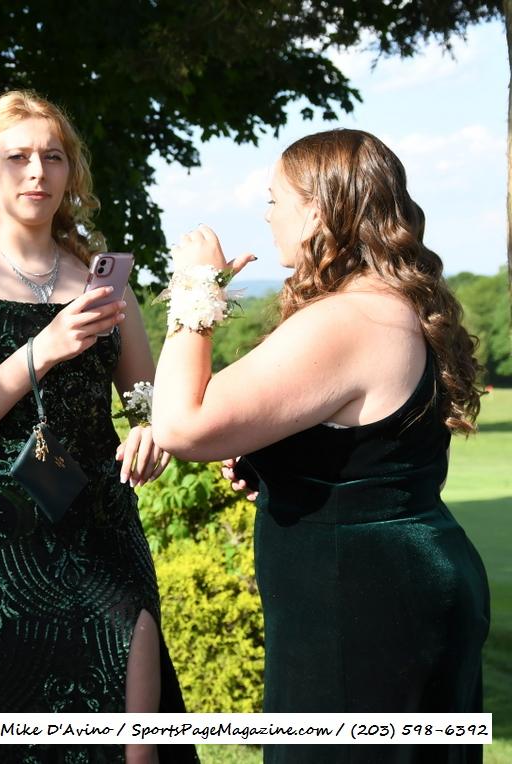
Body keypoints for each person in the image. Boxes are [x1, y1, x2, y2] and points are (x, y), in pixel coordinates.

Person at [151, 128, 489, 763]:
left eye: (275, 198)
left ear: (317, 210)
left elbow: (179, 426)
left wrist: (196, 286)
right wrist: (279, 465)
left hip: (361, 601)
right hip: (393, 584)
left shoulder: (347, 319)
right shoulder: (388, 304)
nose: (267, 214)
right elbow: (367, 454)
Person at [0, 90, 195, 764]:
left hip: (101, 519)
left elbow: (145, 397)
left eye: (53, 156)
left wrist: (150, 429)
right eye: (17, 157)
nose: (37, 171)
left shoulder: (103, 282)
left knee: (134, 710)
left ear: (70, 173)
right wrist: (40, 351)